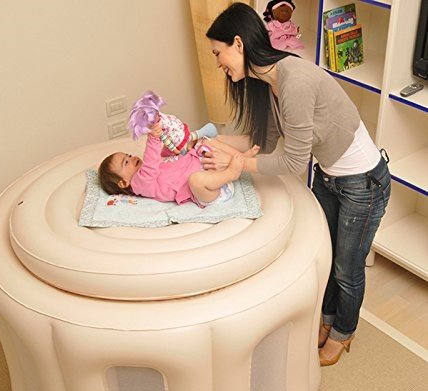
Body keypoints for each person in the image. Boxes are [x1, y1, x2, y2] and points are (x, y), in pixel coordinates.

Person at [203, 2, 391, 366]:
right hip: (331, 177)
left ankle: (343, 333)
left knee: (347, 269)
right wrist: (211, 142)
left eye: (217, 53)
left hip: (363, 184)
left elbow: (292, 163)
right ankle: (328, 320)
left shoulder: (295, 82)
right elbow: (265, 142)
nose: (218, 63)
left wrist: (235, 166)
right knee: (328, 256)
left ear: (238, 44)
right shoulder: (267, 83)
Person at [98, 120, 258, 207]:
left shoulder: (153, 165)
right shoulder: (141, 185)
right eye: (126, 162)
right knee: (196, 180)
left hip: (209, 167)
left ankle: (241, 158)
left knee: (204, 142)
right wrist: (153, 138)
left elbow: (170, 157)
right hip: (209, 190)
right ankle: (231, 173)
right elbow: (150, 166)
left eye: (129, 155)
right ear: (123, 182)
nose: (132, 158)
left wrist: (169, 140)